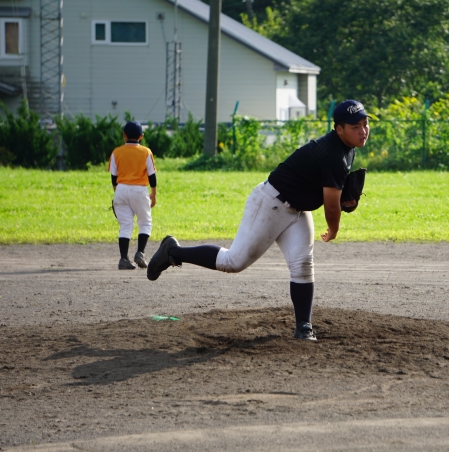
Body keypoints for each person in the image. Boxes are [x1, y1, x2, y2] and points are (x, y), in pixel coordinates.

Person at [146, 100, 370, 340]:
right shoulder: (333, 154)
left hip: (297, 210)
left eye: (365, 124)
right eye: (355, 126)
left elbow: (327, 188)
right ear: (339, 129)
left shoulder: (347, 147)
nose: (363, 130)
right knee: (233, 262)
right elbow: (331, 204)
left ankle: (303, 326)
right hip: (270, 204)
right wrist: (333, 228)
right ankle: (173, 252)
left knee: (303, 265)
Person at [108, 120, 157, 270]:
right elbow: (152, 176)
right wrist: (153, 194)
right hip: (139, 190)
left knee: (126, 225)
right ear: (141, 136)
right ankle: (140, 253)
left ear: (124, 135)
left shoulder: (116, 152)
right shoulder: (146, 152)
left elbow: (113, 177)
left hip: (121, 189)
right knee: (145, 223)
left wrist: (117, 192)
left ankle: (124, 259)